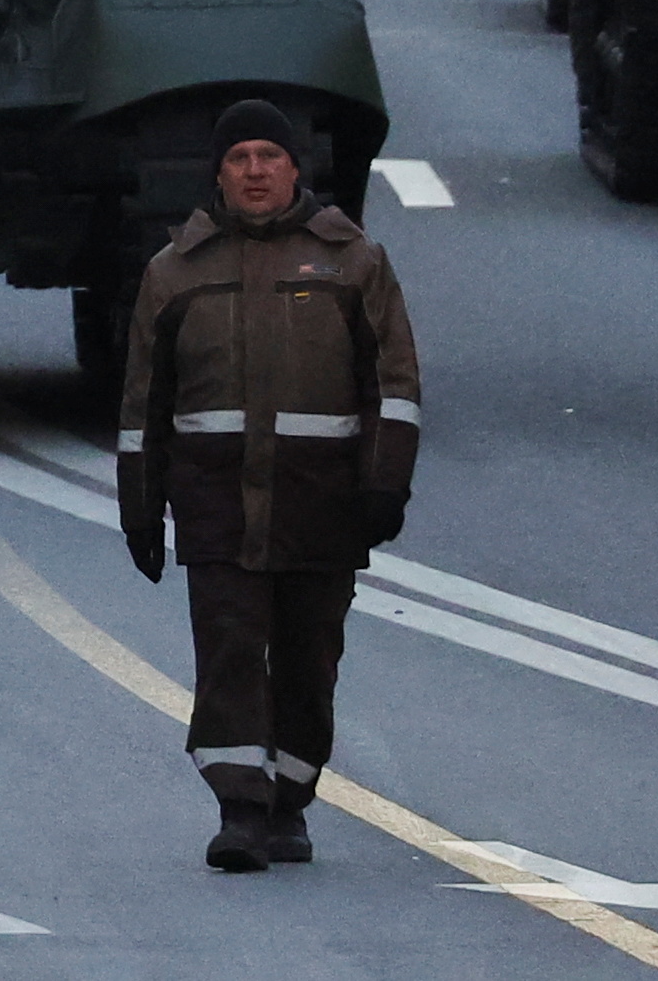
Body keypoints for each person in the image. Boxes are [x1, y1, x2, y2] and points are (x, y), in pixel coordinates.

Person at [117, 103, 422, 872]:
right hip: (216, 503)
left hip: (320, 504)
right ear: (218, 172)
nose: (255, 169)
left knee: (307, 660)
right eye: (240, 156)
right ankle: (240, 809)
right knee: (228, 652)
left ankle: (290, 800)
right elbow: (142, 406)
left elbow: (394, 386)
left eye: (269, 155)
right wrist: (141, 506)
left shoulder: (354, 263)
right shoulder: (174, 271)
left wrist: (385, 484)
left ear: (295, 168)